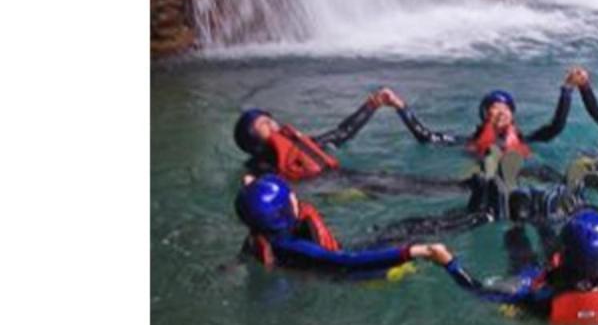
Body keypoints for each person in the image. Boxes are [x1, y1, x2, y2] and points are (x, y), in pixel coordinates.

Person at [411, 210, 598, 325]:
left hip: (531, 283)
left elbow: (479, 290)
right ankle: (536, 221)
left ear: (559, 259)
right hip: (564, 303)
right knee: (534, 255)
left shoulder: (533, 297)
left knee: (520, 255)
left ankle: (520, 222)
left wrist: (448, 262)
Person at [234, 174, 448, 278]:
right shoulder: (293, 247)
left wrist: (253, 189)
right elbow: (346, 261)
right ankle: (479, 215)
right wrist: (414, 251)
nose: (296, 198)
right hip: (363, 276)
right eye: (291, 199)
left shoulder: (260, 234)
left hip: (343, 256)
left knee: (405, 226)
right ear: (282, 213)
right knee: (415, 230)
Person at [389, 72, 576, 166]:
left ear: (512, 116)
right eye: (495, 108)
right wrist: (400, 107)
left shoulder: (525, 140)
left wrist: (567, 89)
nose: (502, 112)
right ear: (486, 115)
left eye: (506, 109)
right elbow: (426, 136)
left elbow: (556, 127)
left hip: (524, 174)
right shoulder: (470, 143)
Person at [233, 90, 392, 182]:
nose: (271, 123)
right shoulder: (260, 168)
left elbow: (342, 133)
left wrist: (371, 105)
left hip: (342, 178)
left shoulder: (301, 146)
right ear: (253, 139)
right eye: (263, 124)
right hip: (330, 190)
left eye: (269, 119)